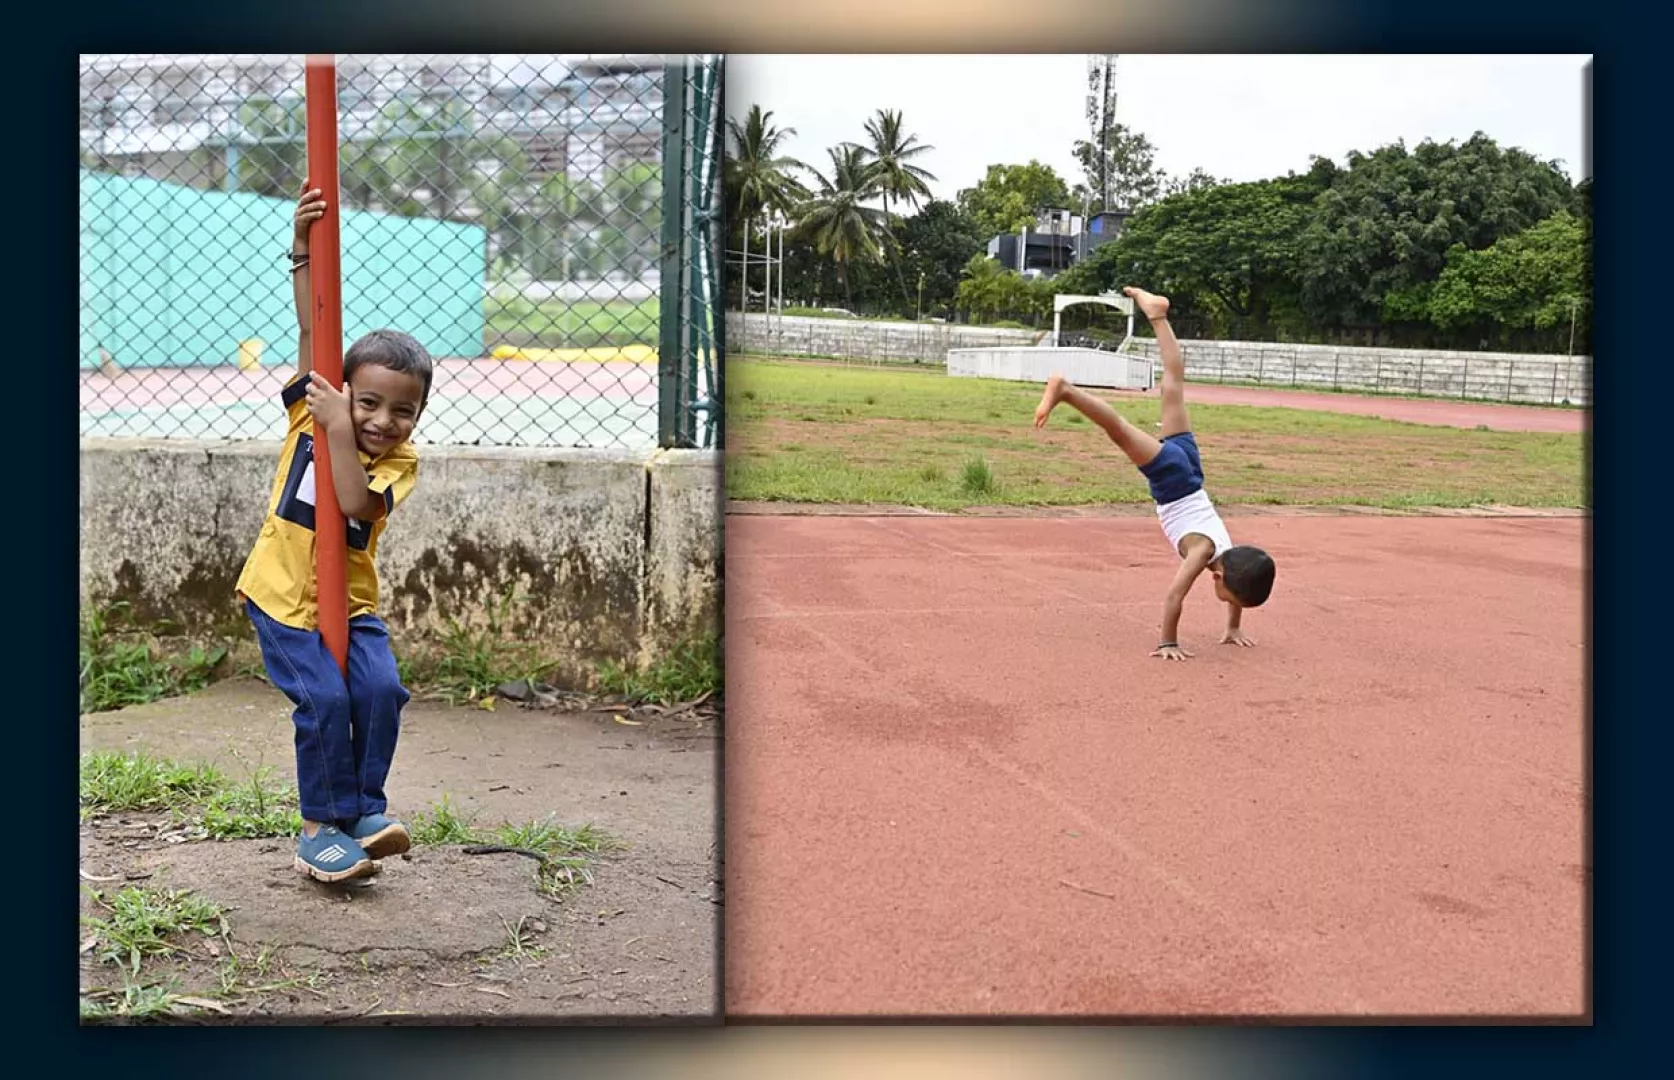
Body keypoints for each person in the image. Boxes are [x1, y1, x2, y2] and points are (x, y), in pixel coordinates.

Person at [234, 180, 431, 881]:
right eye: (368, 402)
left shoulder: (398, 463)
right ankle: (319, 827)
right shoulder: (311, 417)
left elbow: (352, 500)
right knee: (323, 699)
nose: (382, 420)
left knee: (380, 691)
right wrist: (299, 250)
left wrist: (344, 428)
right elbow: (312, 329)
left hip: (349, 603)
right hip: (283, 597)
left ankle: (362, 813)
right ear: (341, 391)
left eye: (401, 410)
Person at [1034, 286, 1275, 661]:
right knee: (1119, 430)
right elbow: (1175, 595)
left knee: (1173, 385)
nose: (1231, 602)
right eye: (1232, 601)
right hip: (1175, 482)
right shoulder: (1204, 554)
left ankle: (1158, 314)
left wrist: (1232, 627)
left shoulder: (1231, 556)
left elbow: (1237, 582)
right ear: (1220, 579)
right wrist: (1168, 642)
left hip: (1191, 470)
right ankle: (1065, 390)